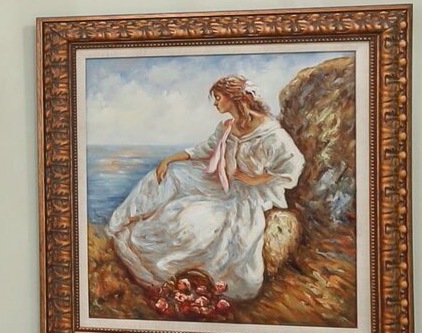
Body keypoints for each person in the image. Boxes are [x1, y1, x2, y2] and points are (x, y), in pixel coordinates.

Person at [105, 75, 304, 305]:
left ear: (234, 98)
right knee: (173, 172)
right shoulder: (227, 127)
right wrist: (169, 159)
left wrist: (254, 179)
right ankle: (128, 219)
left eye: (218, 98)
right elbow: (205, 149)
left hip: (245, 196)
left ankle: (168, 263)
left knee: (191, 220)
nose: (215, 103)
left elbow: (293, 165)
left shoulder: (270, 133)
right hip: (223, 184)